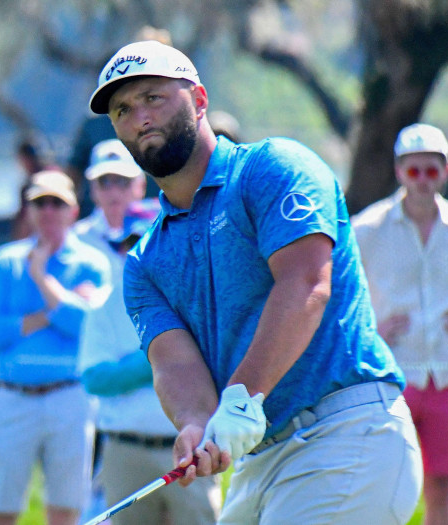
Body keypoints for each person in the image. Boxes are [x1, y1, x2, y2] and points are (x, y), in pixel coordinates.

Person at [90, 40, 421, 522]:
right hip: (260, 456)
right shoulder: (144, 261)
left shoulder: (273, 169)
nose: (139, 117)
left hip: (345, 429)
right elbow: (174, 363)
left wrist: (242, 399)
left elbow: (306, 282)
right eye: (123, 109)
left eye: (153, 98)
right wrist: (195, 424)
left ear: (199, 99)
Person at [75, 142, 220, 524]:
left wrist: (164, 362)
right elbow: (94, 377)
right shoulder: (105, 303)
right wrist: (161, 360)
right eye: (128, 245)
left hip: (190, 450)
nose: (136, 254)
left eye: (144, 243)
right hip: (125, 448)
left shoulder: (192, 298)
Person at [351, 123, 448, 525]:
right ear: (399, 171)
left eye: (431, 171)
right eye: (414, 170)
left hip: (446, 373)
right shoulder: (367, 228)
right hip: (389, 373)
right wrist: (370, 332)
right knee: (385, 485)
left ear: (446, 171)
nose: (422, 180)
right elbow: (339, 294)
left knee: (441, 487)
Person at [0, 170, 110, 525]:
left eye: (57, 203)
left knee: (65, 508)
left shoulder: (91, 263)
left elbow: (87, 327)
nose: (48, 211)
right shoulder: (5, 261)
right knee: (2, 507)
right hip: (14, 397)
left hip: (69, 397)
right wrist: (56, 308)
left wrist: (41, 278)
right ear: (28, 210)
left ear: (72, 210)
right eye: (40, 203)